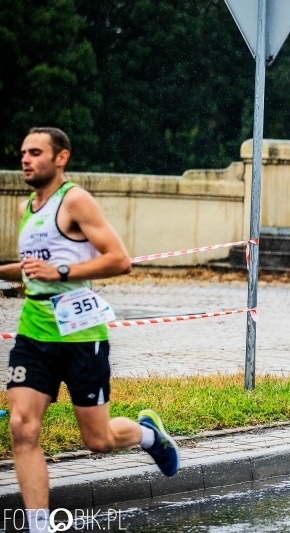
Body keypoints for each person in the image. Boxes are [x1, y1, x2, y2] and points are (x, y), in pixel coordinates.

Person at [0, 128, 179, 533]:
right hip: (34, 330)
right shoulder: (29, 206)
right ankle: (39, 526)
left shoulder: (75, 200)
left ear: (60, 158)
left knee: (97, 441)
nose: (25, 159)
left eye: (35, 152)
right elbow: (31, 270)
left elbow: (119, 260)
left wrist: (62, 271)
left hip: (81, 334)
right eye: (22, 152)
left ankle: (149, 436)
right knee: (22, 426)